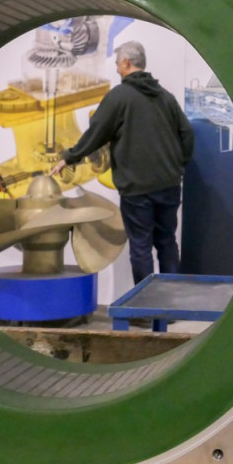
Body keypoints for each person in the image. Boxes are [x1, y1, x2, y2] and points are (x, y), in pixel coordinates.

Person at [49, 41, 195, 284]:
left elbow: (96, 133)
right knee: (167, 242)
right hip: (169, 184)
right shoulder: (165, 97)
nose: (117, 68)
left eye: (117, 63)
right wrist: (179, 164)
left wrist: (70, 157)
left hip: (137, 188)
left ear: (126, 63)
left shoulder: (119, 97)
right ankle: (172, 299)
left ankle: (145, 303)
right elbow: (187, 133)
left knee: (141, 246)